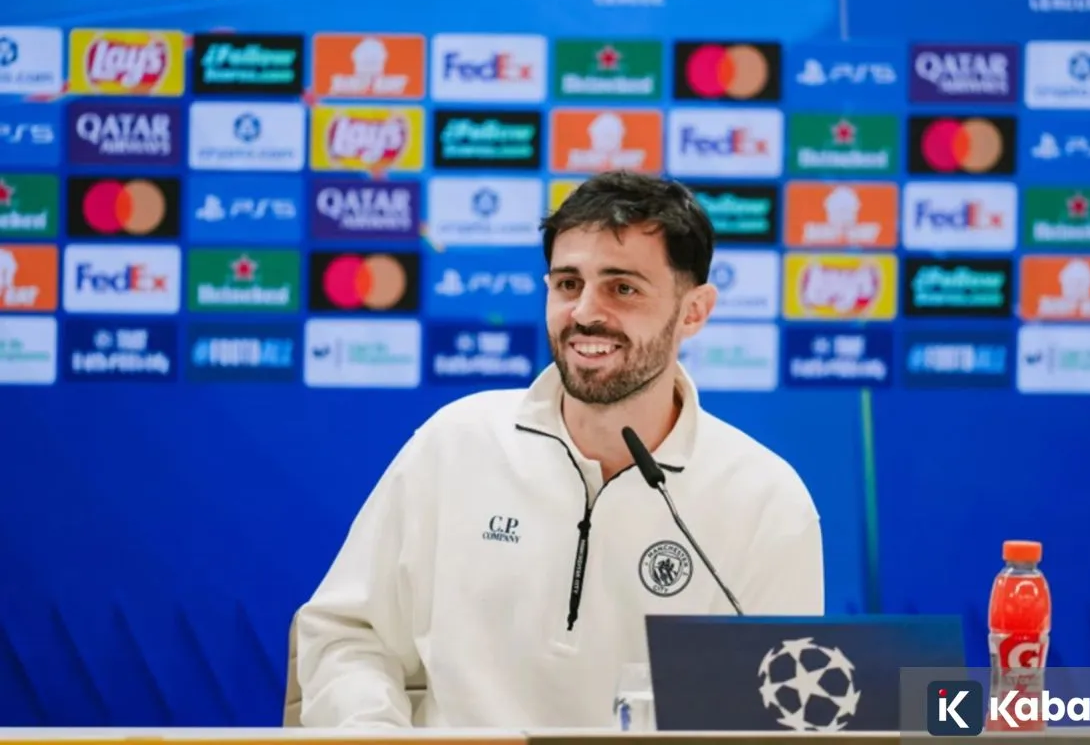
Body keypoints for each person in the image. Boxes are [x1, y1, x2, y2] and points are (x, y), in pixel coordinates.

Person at [294, 170, 824, 729]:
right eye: (568, 284)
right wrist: (377, 735)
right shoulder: (457, 444)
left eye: (623, 288)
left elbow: (776, 715)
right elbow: (350, 636)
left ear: (693, 311)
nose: (585, 313)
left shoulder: (765, 501)